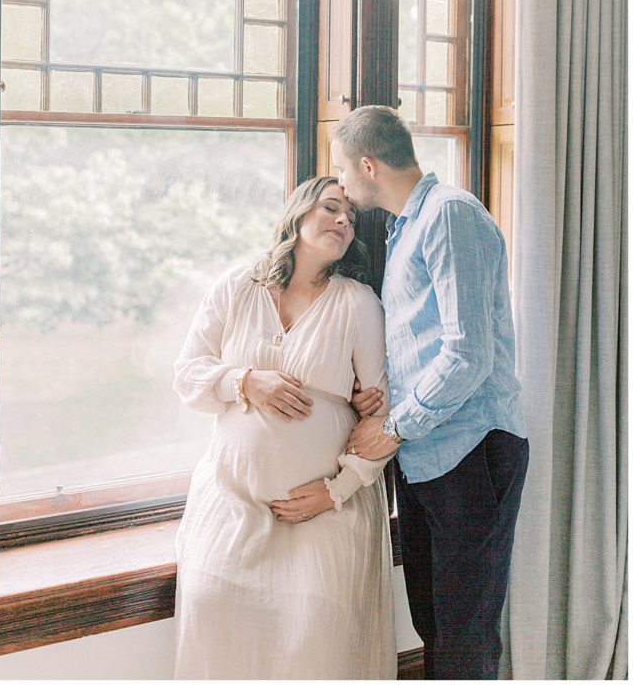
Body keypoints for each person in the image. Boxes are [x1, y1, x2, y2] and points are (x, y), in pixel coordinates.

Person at [331, 105, 528, 681]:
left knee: (464, 634)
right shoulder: (407, 226)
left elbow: (468, 354)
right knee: (435, 625)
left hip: (472, 451)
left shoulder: (449, 216)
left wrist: (393, 427)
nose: (341, 184)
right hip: (425, 456)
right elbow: (420, 343)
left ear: (368, 164)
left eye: (342, 171)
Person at [172, 176, 397, 680]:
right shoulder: (237, 286)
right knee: (212, 617)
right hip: (233, 502)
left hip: (323, 511)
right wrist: (245, 380)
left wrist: (336, 491)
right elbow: (187, 376)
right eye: (331, 208)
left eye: (351, 217)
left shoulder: (357, 302)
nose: (343, 220)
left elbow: (383, 415)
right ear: (296, 215)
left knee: (314, 635)